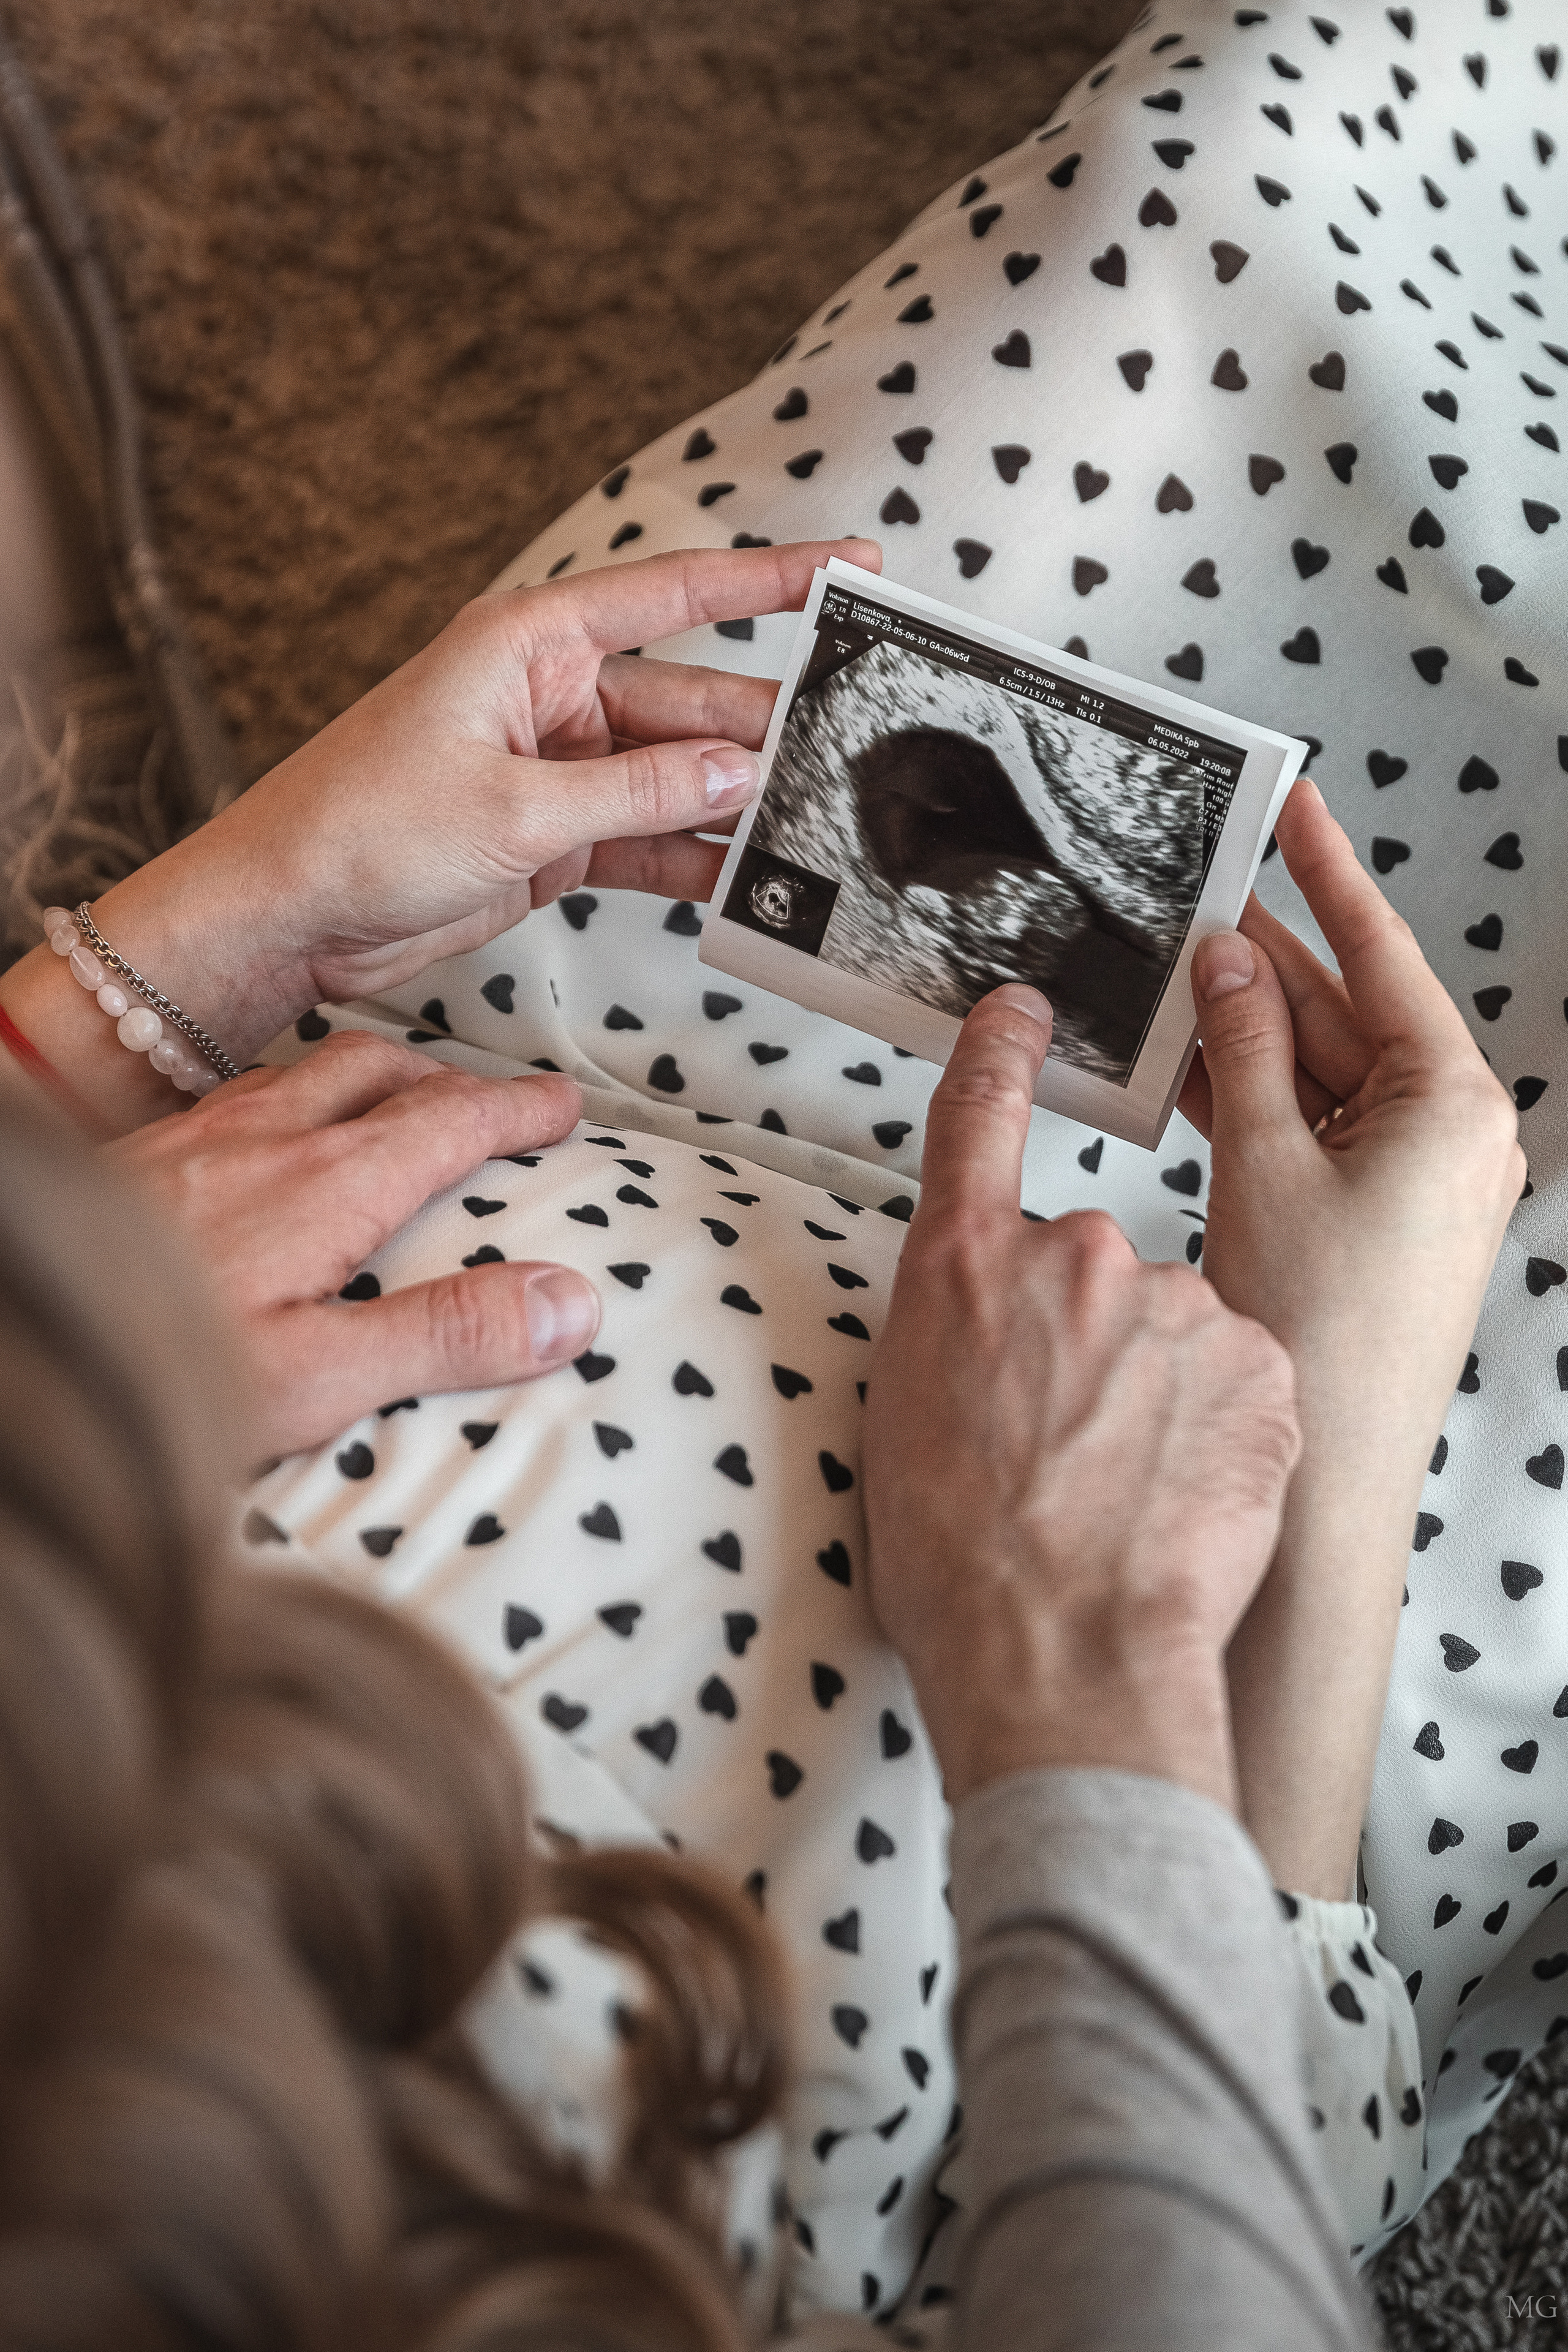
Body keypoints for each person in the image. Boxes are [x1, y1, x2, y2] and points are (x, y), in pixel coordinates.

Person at [0, 0, 1551, 2318]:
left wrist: (147, 997)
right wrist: (1153, 1626)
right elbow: (1222, 2251)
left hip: (505, 1020)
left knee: (1227, 171)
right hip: (1244, 1681)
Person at [2, 995, 1383, 2351]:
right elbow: (1234, 2240)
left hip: (441, 1064)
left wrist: (116, 1016)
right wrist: (1323, 1445)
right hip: (1222, 1638)